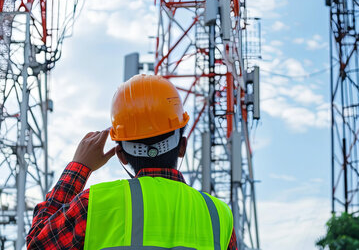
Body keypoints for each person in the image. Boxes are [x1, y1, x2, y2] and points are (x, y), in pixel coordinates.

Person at [27, 74, 238, 250]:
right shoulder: (219, 216)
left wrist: (79, 168)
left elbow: (37, 244)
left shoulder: (94, 205)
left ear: (121, 154)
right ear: (182, 146)